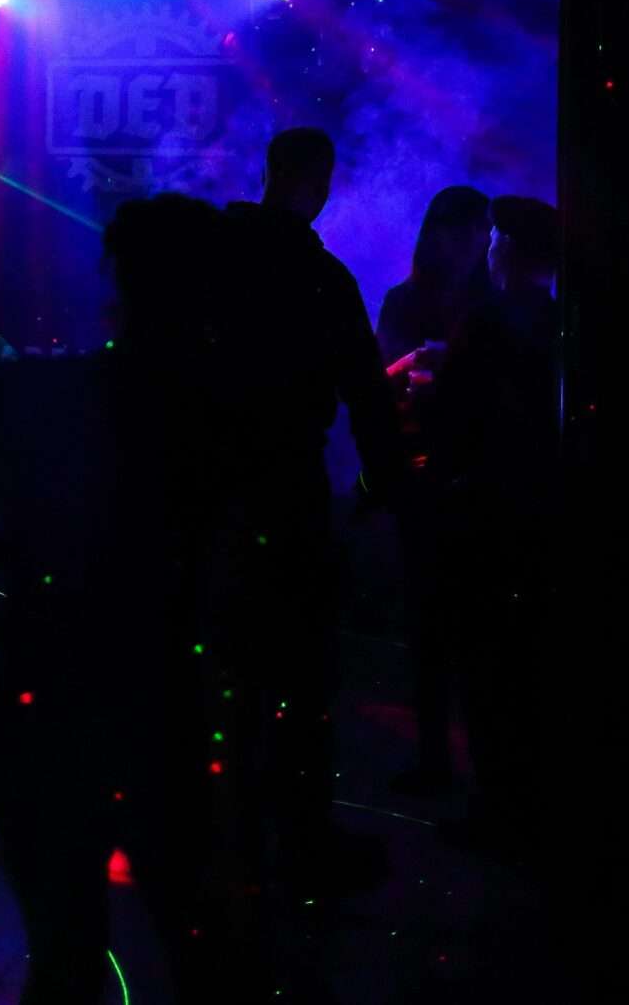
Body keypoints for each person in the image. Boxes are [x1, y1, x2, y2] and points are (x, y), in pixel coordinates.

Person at [0, 193, 261, 1002]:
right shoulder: (226, 420)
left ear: (114, 276)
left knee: (65, 952)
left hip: (49, 695)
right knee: (201, 943)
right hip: (160, 703)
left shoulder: (32, 395)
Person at [219, 127, 402, 895]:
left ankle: (221, 830)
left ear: (267, 171)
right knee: (298, 670)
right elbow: (367, 395)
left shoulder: (211, 259)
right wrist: (384, 490)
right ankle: (300, 838)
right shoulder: (323, 278)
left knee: (222, 665)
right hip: (286, 490)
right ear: (319, 182)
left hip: (213, 489)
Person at [426, 194, 563, 847]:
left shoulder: (487, 322)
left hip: (486, 515)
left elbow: (453, 419)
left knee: (488, 671)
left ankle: (499, 813)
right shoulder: (562, 322)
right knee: (527, 668)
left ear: (504, 248)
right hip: (542, 515)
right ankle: (530, 807)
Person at [375, 184, 492, 794]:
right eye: (462, 230)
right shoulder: (407, 300)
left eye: (481, 232)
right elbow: (381, 383)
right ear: (437, 233)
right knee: (428, 626)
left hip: (479, 480)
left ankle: (477, 767)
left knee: (474, 630)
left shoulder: (491, 305)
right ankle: (437, 759)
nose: (473, 242)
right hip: (426, 477)